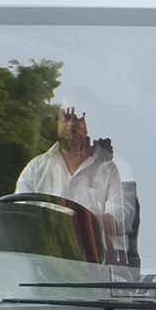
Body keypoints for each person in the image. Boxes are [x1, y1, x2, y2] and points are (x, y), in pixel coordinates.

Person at [15, 106, 131, 264]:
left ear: (91, 124)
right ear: (57, 122)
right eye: (66, 118)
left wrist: (71, 225)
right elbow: (20, 217)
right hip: (43, 268)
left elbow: (120, 220)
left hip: (101, 273)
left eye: (78, 118)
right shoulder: (36, 168)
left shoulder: (114, 168)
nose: (71, 125)